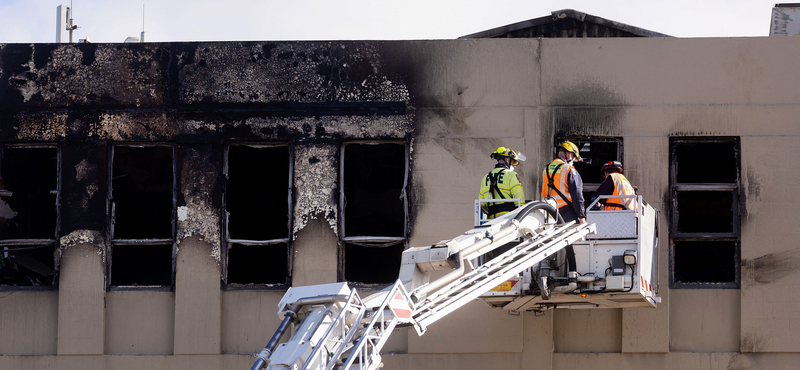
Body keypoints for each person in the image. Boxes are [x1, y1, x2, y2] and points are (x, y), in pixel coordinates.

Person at [538, 141, 586, 299]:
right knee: (570, 242)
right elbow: (577, 195)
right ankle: (573, 274)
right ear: (569, 154)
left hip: (548, 212)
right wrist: (581, 217)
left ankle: (546, 270)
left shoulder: (546, 169)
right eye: (573, 156)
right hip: (566, 212)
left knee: (549, 242)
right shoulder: (569, 169)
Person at [478, 146, 526, 219]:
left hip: (491, 219)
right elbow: (518, 194)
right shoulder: (511, 174)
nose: (512, 166)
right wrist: (522, 214)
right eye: (512, 162)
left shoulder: (486, 177)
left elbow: (482, 202)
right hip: (508, 217)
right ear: (507, 160)